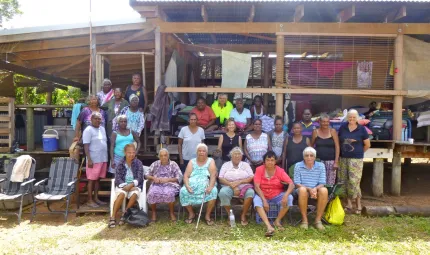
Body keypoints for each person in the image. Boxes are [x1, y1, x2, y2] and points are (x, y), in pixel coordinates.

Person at [253, 151, 294, 237]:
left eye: (272, 160)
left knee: (289, 198)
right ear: (264, 161)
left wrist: (285, 196)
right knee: (257, 201)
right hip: (262, 194)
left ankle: (277, 221)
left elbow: (291, 184)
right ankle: (269, 226)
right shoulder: (259, 169)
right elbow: (257, 187)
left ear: (275, 161)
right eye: (268, 160)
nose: (270, 162)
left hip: (277, 194)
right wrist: (264, 201)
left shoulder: (280, 171)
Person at [338, 109, 370, 215]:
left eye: (354, 117)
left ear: (357, 118)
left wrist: (359, 153)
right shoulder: (343, 127)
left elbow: (367, 145)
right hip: (343, 158)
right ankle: (349, 203)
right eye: (350, 117)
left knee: (354, 181)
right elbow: (339, 140)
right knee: (344, 180)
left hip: (356, 159)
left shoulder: (362, 129)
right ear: (347, 117)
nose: (351, 119)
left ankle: (358, 204)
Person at [180, 143, 218, 226]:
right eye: (199, 151)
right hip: (192, 185)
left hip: (206, 184)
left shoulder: (210, 161)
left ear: (206, 152)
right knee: (183, 191)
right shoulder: (192, 161)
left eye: (203, 151)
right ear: (196, 152)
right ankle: (191, 213)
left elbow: (213, 175)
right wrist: (187, 186)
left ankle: (207, 215)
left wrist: (211, 186)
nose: (201, 152)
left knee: (214, 191)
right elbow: (186, 176)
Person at [108, 144, 144, 228]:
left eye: (133, 152)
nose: (131, 154)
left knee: (134, 194)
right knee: (122, 194)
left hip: (134, 186)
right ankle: (112, 217)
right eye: (129, 152)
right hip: (122, 186)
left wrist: (131, 185)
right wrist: (125, 187)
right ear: (125, 153)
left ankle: (124, 214)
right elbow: (118, 178)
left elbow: (139, 177)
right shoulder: (120, 163)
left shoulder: (138, 163)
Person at [293, 147, 329, 231]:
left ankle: (318, 220)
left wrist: (315, 189)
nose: (309, 157)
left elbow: (322, 182)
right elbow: (297, 183)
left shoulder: (321, 166)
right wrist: (309, 189)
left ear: (315, 157)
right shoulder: (298, 165)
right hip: (302, 190)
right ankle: (304, 220)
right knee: (302, 190)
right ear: (303, 157)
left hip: (316, 190)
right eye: (306, 155)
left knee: (324, 190)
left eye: (311, 155)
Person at [218, 147, 254, 226]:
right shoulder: (226, 165)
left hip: (244, 186)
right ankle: (230, 214)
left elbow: (251, 177)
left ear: (241, 156)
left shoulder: (245, 165)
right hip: (228, 185)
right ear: (231, 156)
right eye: (235, 154)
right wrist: (232, 185)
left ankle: (243, 215)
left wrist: (239, 182)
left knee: (250, 193)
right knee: (222, 193)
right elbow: (220, 178)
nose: (237, 156)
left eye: (239, 154)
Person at [146, 148, 182, 222]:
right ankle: (154, 212)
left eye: (165, 155)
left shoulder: (173, 164)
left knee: (169, 193)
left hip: (170, 184)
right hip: (157, 184)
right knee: (152, 193)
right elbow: (146, 174)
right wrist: (153, 178)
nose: (163, 157)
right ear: (159, 157)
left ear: (168, 156)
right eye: (161, 156)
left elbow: (179, 177)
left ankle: (171, 213)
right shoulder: (155, 164)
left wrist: (168, 179)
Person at [82, 112, 108, 208]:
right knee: (91, 180)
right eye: (96, 118)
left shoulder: (102, 129)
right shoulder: (88, 130)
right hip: (93, 159)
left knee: (98, 180)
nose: (98, 120)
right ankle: (89, 200)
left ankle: (96, 198)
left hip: (102, 158)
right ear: (91, 119)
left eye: (99, 119)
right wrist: (89, 159)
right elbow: (86, 146)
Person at [311, 114, 340, 185]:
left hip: (331, 161)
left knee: (330, 182)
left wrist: (336, 162)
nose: (325, 123)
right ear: (319, 122)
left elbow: (337, 146)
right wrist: (311, 160)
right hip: (318, 161)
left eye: (327, 121)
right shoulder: (315, 132)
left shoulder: (332, 131)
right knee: (319, 181)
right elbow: (311, 146)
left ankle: (329, 196)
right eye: (323, 121)